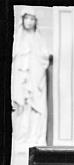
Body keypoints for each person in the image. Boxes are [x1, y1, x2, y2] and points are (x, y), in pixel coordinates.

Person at [11, 7, 50, 148]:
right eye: (27, 18)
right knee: (20, 108)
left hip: (36, 79)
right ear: (22, 20)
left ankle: (35, 137)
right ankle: (20, 138)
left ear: (35, 21)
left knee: (36, 109)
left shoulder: (39, 39)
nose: (29, 21)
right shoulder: (17, 39)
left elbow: (44, 58)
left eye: (32, 19)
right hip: (20, 78)